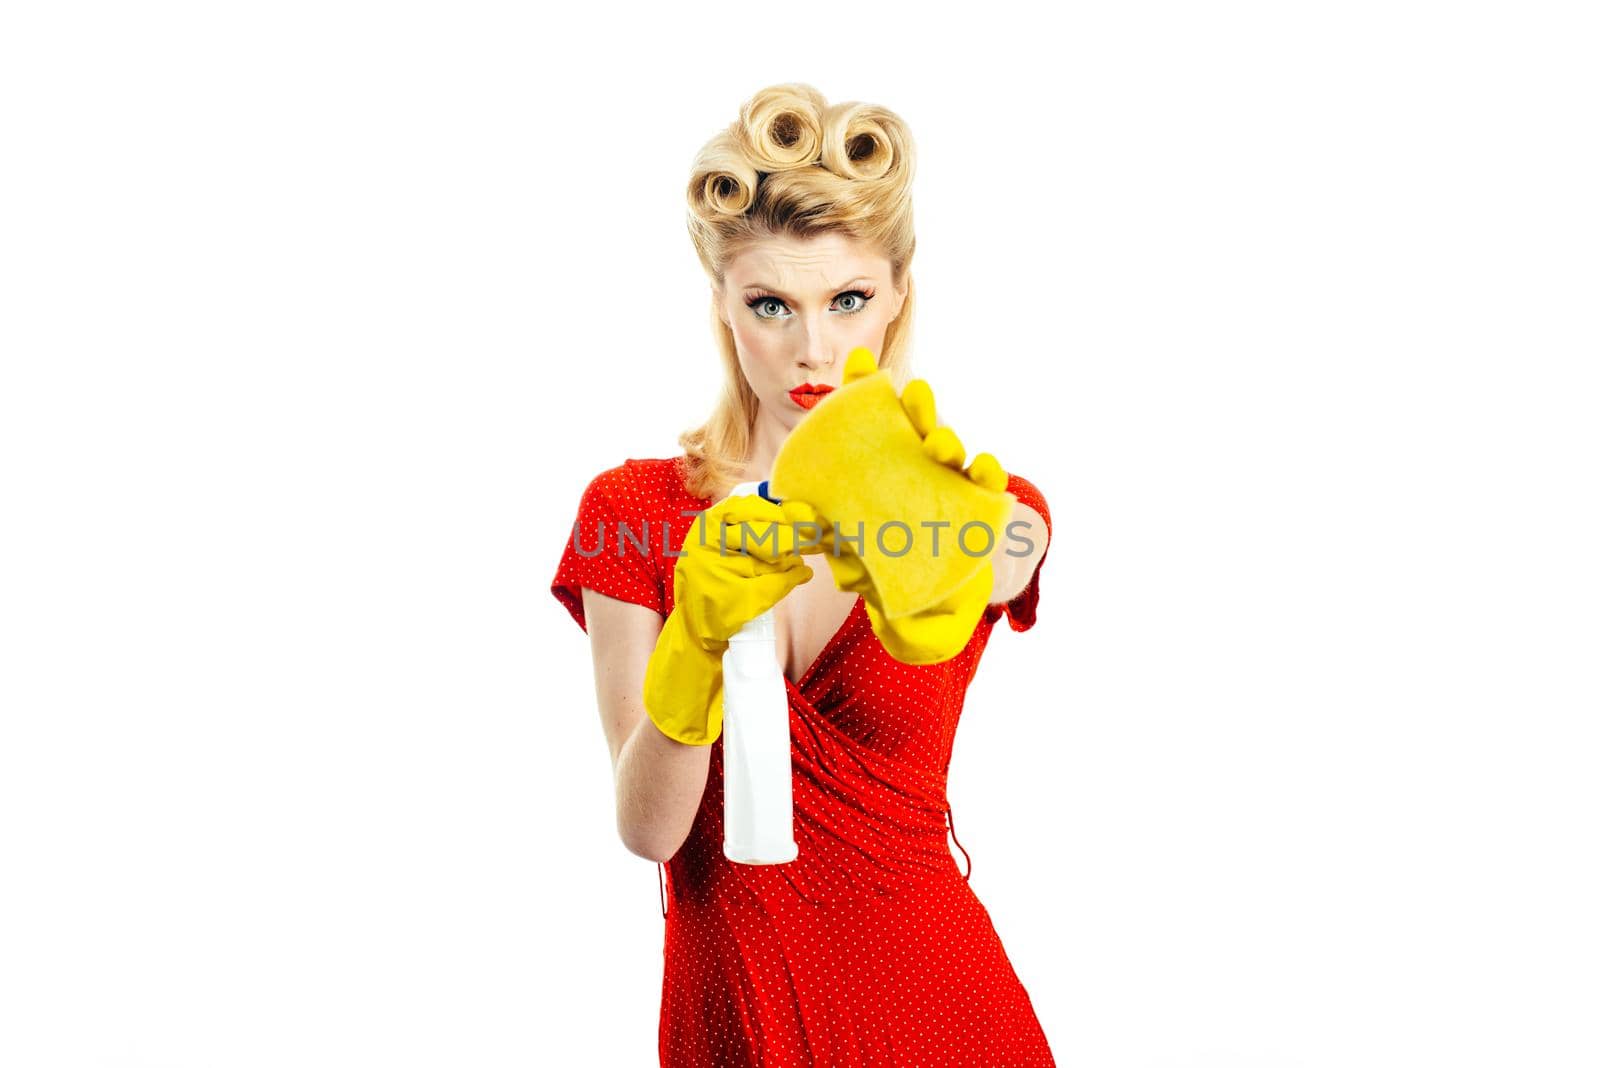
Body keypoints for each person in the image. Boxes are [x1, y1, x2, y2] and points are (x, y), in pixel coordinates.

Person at [551, 83, 1056, 1067]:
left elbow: (1011, 555)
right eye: (771, 304)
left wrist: (925, 509)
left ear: (899, 293)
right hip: (738, 1011)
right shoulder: (634, 515)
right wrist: (695, 644)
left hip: (938, 1004)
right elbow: (649, 833)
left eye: (848, 300)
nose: (812, 348)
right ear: (722, 305)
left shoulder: (975, 506)